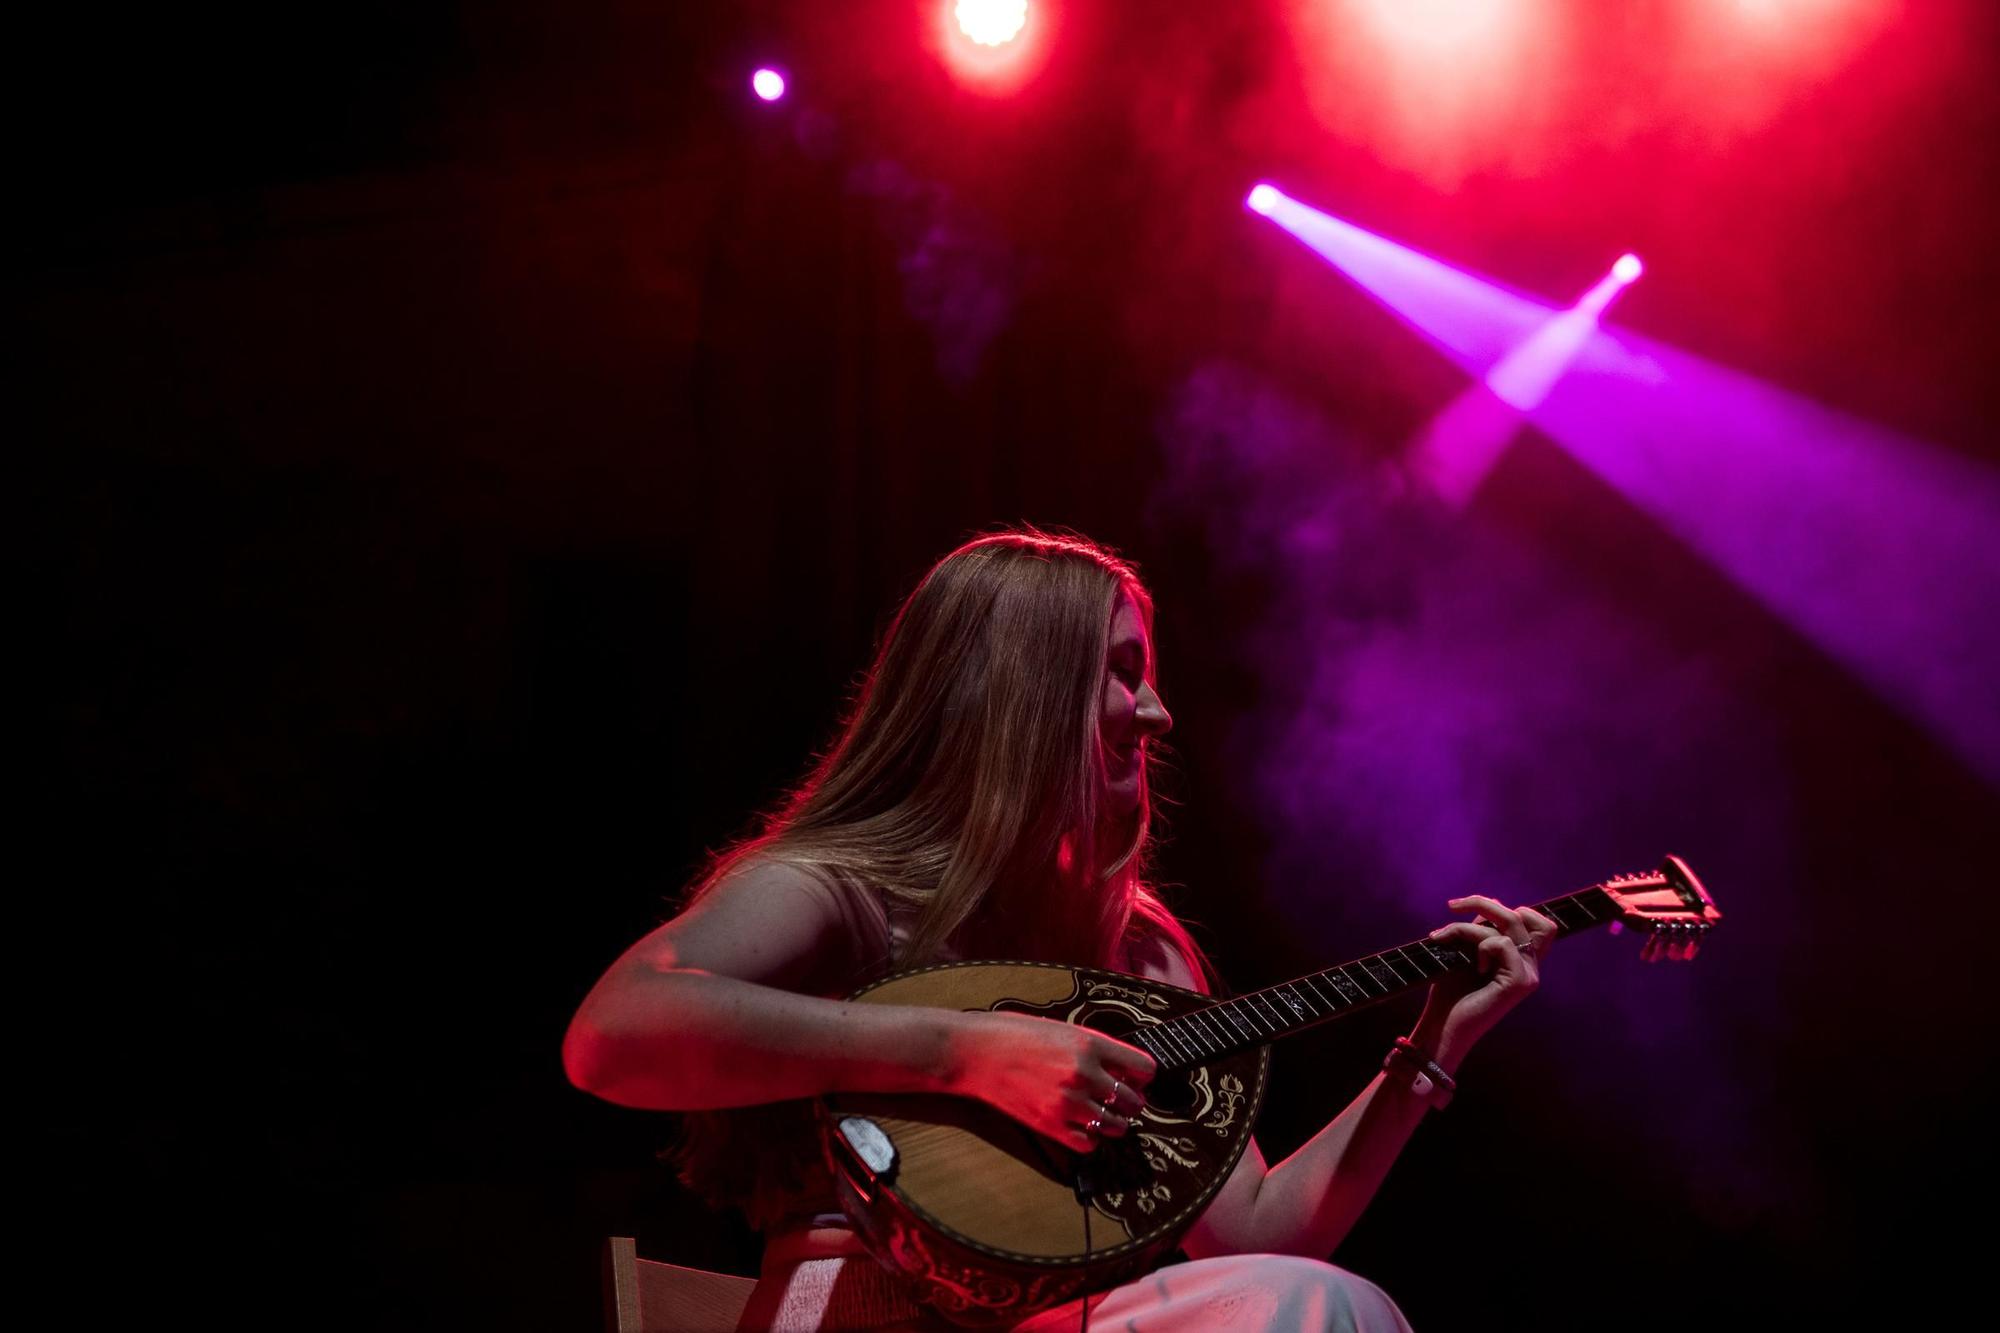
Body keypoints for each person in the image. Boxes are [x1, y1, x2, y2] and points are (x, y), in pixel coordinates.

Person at [564, 528, 1556, 1331]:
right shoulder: (846, 888)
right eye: (1125, 672)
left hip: (1061, 1320)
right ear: (1026, 697)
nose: (1158, 712)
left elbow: (1258, 1235)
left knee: (1324, 1304)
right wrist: (967, 1052)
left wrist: (1430, 1046)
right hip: (842, 1308)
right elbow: (615, 1032)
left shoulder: (1140, 953)